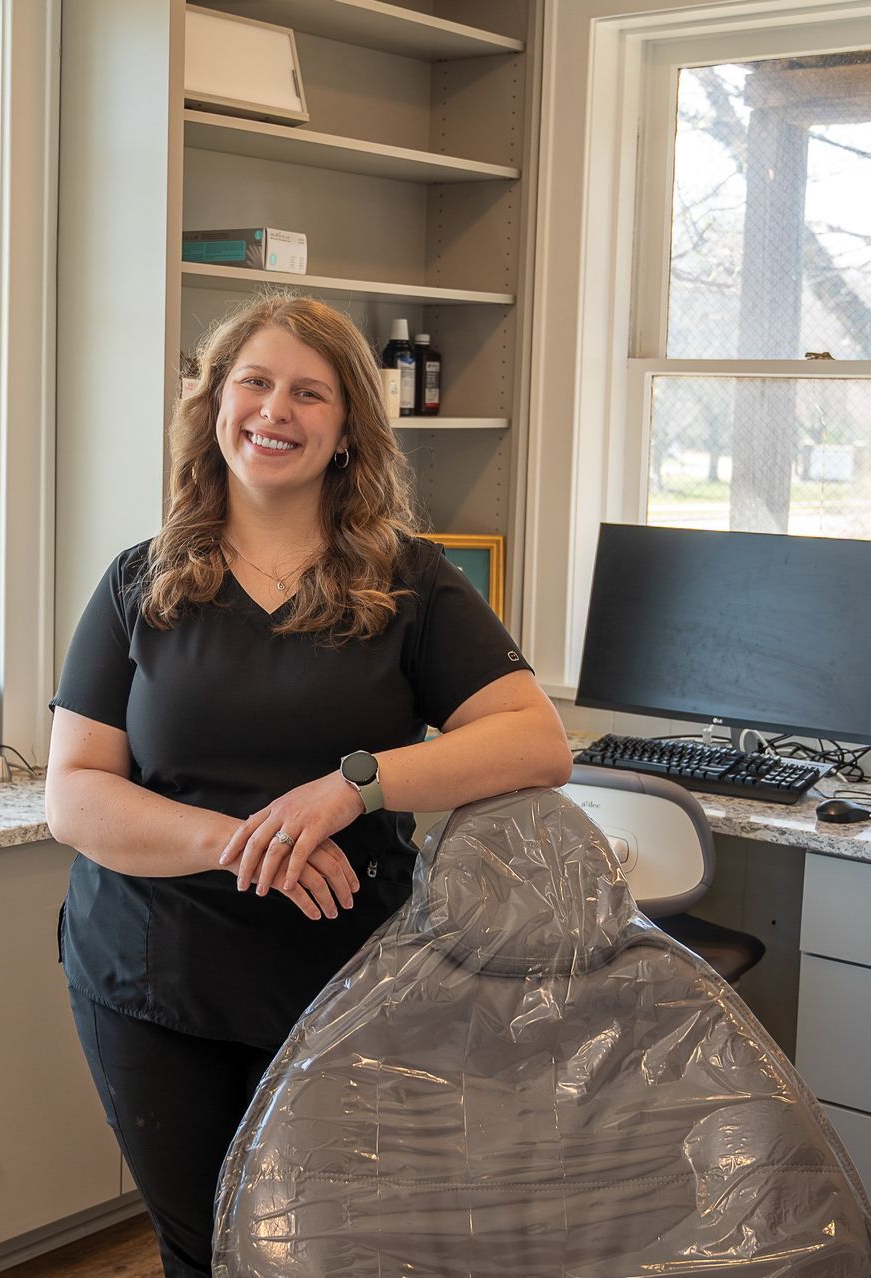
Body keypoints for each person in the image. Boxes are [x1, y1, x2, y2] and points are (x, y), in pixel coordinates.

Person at [43, 292, 571, 1277]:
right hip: (154, 980)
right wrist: (244, 841)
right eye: (252, 383)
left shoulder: (410, 584)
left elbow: (535, 740)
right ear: (213, 407)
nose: (273, 411)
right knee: (203, 1249)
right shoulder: (140, 583)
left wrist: (351, 788)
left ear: (345, 432)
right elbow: (74, 796)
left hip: (343, 983)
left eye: (307, 393)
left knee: (333, 1251)